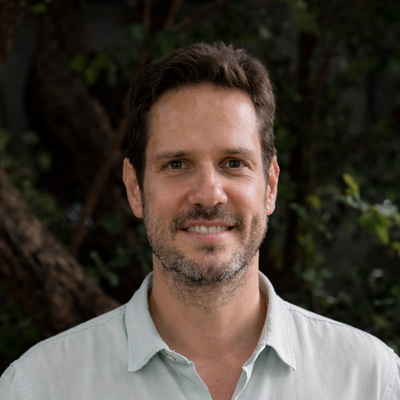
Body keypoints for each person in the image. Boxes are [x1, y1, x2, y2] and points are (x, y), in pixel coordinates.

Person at [0, 42, 399, 400]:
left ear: (270, 186)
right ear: (135, 189)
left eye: (233, 163)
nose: (209, 194)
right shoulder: (38, 387)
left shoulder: (371, 381)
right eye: (177, 164)